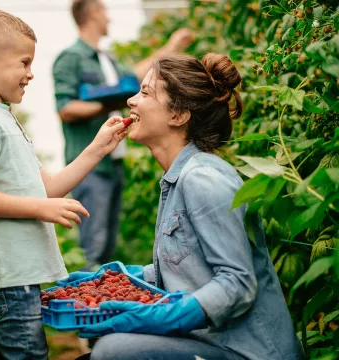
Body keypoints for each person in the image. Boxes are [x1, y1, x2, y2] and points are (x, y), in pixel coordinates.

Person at [64, 54, 305, 360]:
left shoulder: (202, 179)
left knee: (113, 351)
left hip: (250, 352)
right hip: (214, 344)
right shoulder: (178, 177)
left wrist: (163, 317)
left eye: (145, 93)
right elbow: (189, 267)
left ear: (178, 115)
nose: (131, 101)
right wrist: (116, 280)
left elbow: (237, 284)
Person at [0, 8, 129, 360]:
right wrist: (39, 209)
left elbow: (47, 189)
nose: (31, 74)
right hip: (6, 278)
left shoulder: (2, 118)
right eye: (24, 62)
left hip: (13, 276)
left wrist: (97, 148)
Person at [53, 0, 194, 271]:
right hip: (91, 166)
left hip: (113, 162)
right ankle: (85, 307)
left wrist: (173, 46)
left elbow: (138, 76)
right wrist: (106, 104)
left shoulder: (107, 60)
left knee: (106, 246)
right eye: (105, 12)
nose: (109, 19)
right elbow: (66, 108)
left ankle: (102, 306)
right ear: (93, 13)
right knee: (92, 247)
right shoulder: (71, 58)